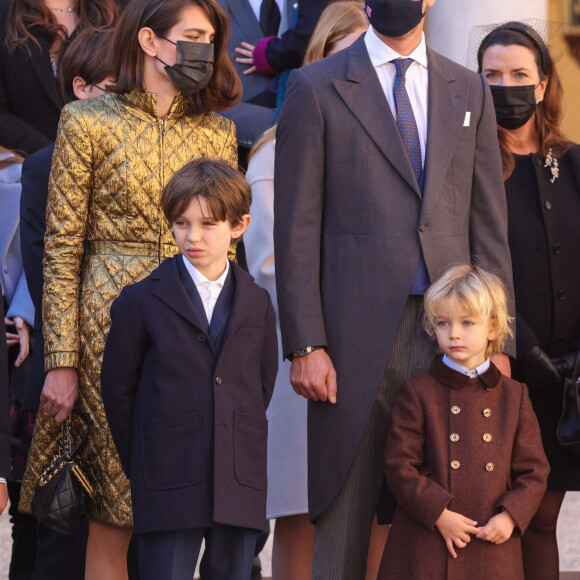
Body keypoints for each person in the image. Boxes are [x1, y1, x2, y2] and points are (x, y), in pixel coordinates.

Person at [273, 0, 515, 577]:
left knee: (449, 510)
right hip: (350, 341)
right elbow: (297, 228)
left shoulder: (467, 89)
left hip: (453, 333)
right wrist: (305, 343)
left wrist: (499, 343)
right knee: (345, 511)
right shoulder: (315, 86)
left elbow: (487, 222)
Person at [18, 0, 241, 578]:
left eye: (211, 38)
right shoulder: (87, 123)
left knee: (177, 516)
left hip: (189, 340)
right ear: (148, 41)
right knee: (112, 518)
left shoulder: (219, 133)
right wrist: (61, 361)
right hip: (104, 338)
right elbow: (62, 253)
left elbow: (226, 255)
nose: (205, 49)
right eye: (192, 35)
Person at [100, 158, 278, 580]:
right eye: (182, 223)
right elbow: (118, 393)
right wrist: (148, 460)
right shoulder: (139, 301)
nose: (192, 236)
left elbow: (261, 385)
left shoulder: (258, 302)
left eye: (208, 224)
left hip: (239, 479)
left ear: (239, 225)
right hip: (167, 477)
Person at [244, 4, 370, 579]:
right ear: (317, 58)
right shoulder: (275, 145)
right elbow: (271, 263)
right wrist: (317, 337)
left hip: (373, 352)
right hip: (303, 349)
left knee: (374, 510)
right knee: (299, 511)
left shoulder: (392, 140)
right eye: (346, 51)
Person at [477, 21, 580, 580]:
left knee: (549, 512)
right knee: (513, 517)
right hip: (508, 370)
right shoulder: (473, 170)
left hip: (574, 379)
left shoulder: (576, 163)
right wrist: (524, 352)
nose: (506, 85)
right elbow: (476, 268)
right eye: (491, 75)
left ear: (542, 84)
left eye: (518, 74)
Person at [18, 27, 117, 580]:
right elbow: (45, 275)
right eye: (111, 88)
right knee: (62, 533)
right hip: (69, 375)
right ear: (79, 89)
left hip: (137, 372)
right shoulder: (44, 166)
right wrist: (67, 364)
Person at [378, 264, 549, 580]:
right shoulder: (417, 392)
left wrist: (511, 517)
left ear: (493, 327)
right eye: (444, 323)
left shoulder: (514, 395)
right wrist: (439, 514)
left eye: (467, 322)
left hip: (491, 540)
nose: (454, 333)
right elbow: (399, 466)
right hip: (427, 541)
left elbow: (534, 470)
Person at [0, 0, 118, 154]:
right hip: (21, 168)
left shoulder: (114, 13)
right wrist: (53, 156)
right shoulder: (5, 14)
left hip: (97, 165)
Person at [0, 146, 34, 579]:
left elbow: (49, 246)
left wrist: (24, 309)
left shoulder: (18, 174)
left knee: (29, 507)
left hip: (19, 349)